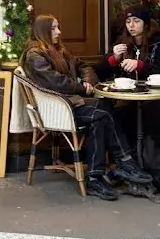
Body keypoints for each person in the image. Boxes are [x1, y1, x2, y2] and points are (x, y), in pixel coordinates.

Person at [21, 15, 152, 200]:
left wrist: (88, 81)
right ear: (43, 31)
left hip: (71, 103)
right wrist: (83, 87)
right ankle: (124, 162)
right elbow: (55, 82)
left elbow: (82, 65)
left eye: (58, 27)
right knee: (104, 113)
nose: (59, 32)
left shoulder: (57, 49)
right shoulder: (35, 55)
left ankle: (94, 178)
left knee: (100, 116)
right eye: (54, 29)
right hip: (58, 110)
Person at [106, 5, 160, 135]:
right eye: (128, 22)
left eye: (136, 21)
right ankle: (129, 153)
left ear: (145, 23)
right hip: (130, 98)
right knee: (114, 114)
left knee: (140, 115)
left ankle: (146, 152)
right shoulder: (122, 42)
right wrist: (114, 58)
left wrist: (140, 66)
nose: (131, 26)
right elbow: (100, 69)